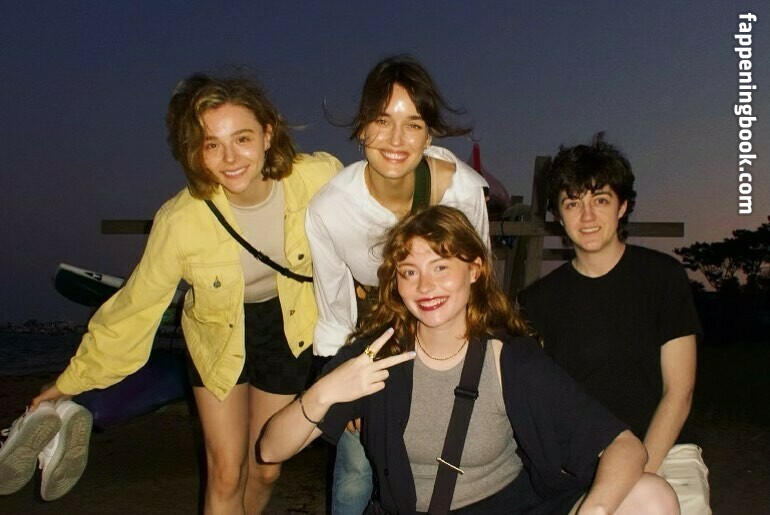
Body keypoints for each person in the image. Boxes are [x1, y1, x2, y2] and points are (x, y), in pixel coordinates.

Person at [31, 72, 342, 514]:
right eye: (212, 144)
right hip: (216, 334)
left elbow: (372, 220)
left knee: (266, 466)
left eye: (243, 138)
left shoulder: (317, 177)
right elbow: (134, 309)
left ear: (268, 134)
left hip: (289, 329)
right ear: (196, 150)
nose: (230, 158)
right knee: (225, 472)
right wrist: (67, 384)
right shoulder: (180, 221)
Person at [261, 205, 679, 514]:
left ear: (475, 269)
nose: (425, 286)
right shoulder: (377, 356)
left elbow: (624, 446)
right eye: (409, 271)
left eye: (441, 267)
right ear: (396, 282)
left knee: (651, 496)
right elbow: (270, 448)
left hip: (515, 507)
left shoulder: (508, 358)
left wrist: (595, 510)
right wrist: (325, 392)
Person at [306, 55, 490, 514]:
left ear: (429, 136)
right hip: (375, 339)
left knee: (444, 463)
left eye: (413, 125)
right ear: (361, 128)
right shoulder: (330, 208)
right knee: (355, 470)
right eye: (382, 120)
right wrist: (339, 388)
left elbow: (480, 279)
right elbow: (334, 311)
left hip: (447, 337)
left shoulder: (461, 190)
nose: (395, 140)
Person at [517, 133, 710, 514]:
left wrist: (634, 476)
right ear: (558, 215)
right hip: (583, 460)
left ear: (622, 206)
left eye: (600, 200)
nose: (587, 217)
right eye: (573, 203)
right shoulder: (537, 301)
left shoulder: (663, 278)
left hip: (665, 451)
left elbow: (679, 392)